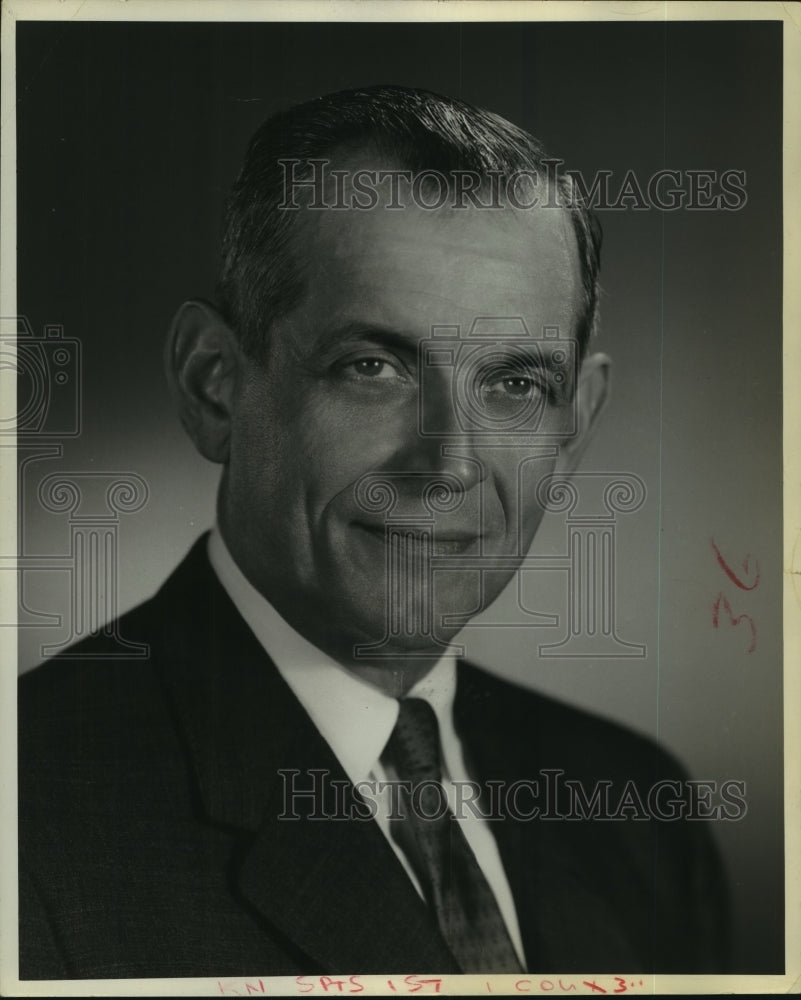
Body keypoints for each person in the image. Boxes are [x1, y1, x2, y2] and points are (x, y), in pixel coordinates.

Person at [18, 85, 730, 979]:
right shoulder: (31, 818)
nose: (449, 465)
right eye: (373, 367)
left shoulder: (635, 804)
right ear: (214, 386)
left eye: (514, 384)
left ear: (574, 423)